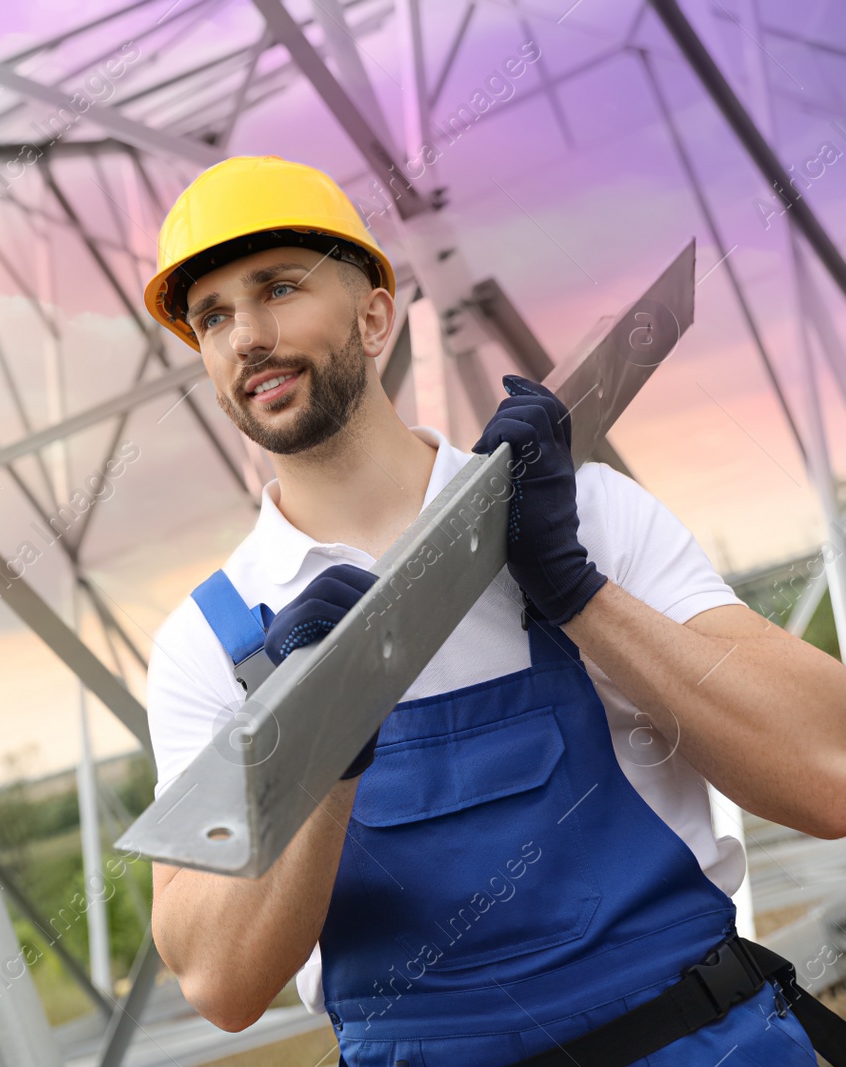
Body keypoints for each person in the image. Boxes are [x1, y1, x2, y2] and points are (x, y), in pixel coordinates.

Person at [140, 155, 846, 1065]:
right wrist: (316, 746)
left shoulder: (583, 514)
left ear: (375, 315)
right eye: (213, 317)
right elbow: (217, 982)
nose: (247, 337)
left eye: (278, 287)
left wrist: (575, 591)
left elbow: (829, 773)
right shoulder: (213, 644)